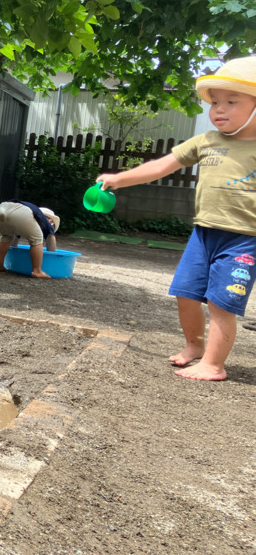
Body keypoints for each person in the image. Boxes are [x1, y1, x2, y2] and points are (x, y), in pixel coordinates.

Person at [98, 56, 256, 382]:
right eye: (214, 103)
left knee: (220, 303)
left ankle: (214, 365)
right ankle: (195, 347)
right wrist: (119, 178)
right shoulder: (207, 141)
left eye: (231, 101)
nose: (218, 110)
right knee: (186, 294)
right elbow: (161, 166)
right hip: (204, 234)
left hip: (244, 238)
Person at [0, 201, 60, 278]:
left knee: (6, 236)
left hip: (1, 208)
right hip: (22, 214)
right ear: (51, 221)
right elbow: (51, 242)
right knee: (37, 240)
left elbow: (13, 244)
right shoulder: (46, 222)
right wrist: (53, 259)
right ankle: (37, 271)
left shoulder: (32, 212)